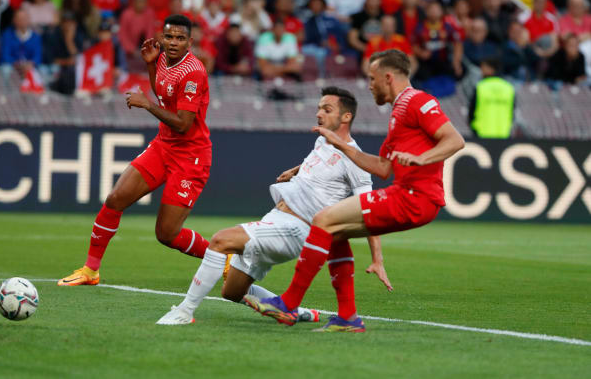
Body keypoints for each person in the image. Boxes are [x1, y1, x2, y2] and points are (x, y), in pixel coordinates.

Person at [245, 49, 465, 332]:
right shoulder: (398, 112)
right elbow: (383, 167)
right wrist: (340, 144)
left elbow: (454, 140)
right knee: (333, 232)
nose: (369, 85)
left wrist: (423, 159)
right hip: (408, 195)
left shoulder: (417, 100)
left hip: (414, 197)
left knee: (323, 219)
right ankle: (348, 317)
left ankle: (287, 303)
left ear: (388, 77)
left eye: (372, 79)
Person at [156, 86, 376, 325]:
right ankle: (297, 312)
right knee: (232, 292)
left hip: (296, 229)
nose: (319, 113)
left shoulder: (356, 159)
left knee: (220, 241)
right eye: (318, 108)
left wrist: (378, 259)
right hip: (274, 219)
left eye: (327, 109)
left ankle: (185, 312)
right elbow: (314, 166)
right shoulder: (323, 140)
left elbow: (368, 209)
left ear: (346, 117)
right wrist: (294, 171)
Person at [57, 14, 213, 286]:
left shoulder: (194, 73)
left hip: (191, 156)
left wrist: (147, 104)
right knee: (116, 198)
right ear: (162, 37)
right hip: (163, 147)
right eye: (169, 37)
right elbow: (163, 92)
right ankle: (90, 270)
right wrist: (152, 65)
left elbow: (184, 125)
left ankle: (221, 257)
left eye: (179, 38)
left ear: (190, 41)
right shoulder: (163, 58)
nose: (173, 42)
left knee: (166, 234)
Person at [469, 58, 515, 139]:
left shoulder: (481, 86)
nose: (481, 71)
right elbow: (513, 112)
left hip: (481, 133)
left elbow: (472, 111)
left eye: (483, 68)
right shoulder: (509, 88)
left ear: (491, 69)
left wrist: (473, 126)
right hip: (504, 133)